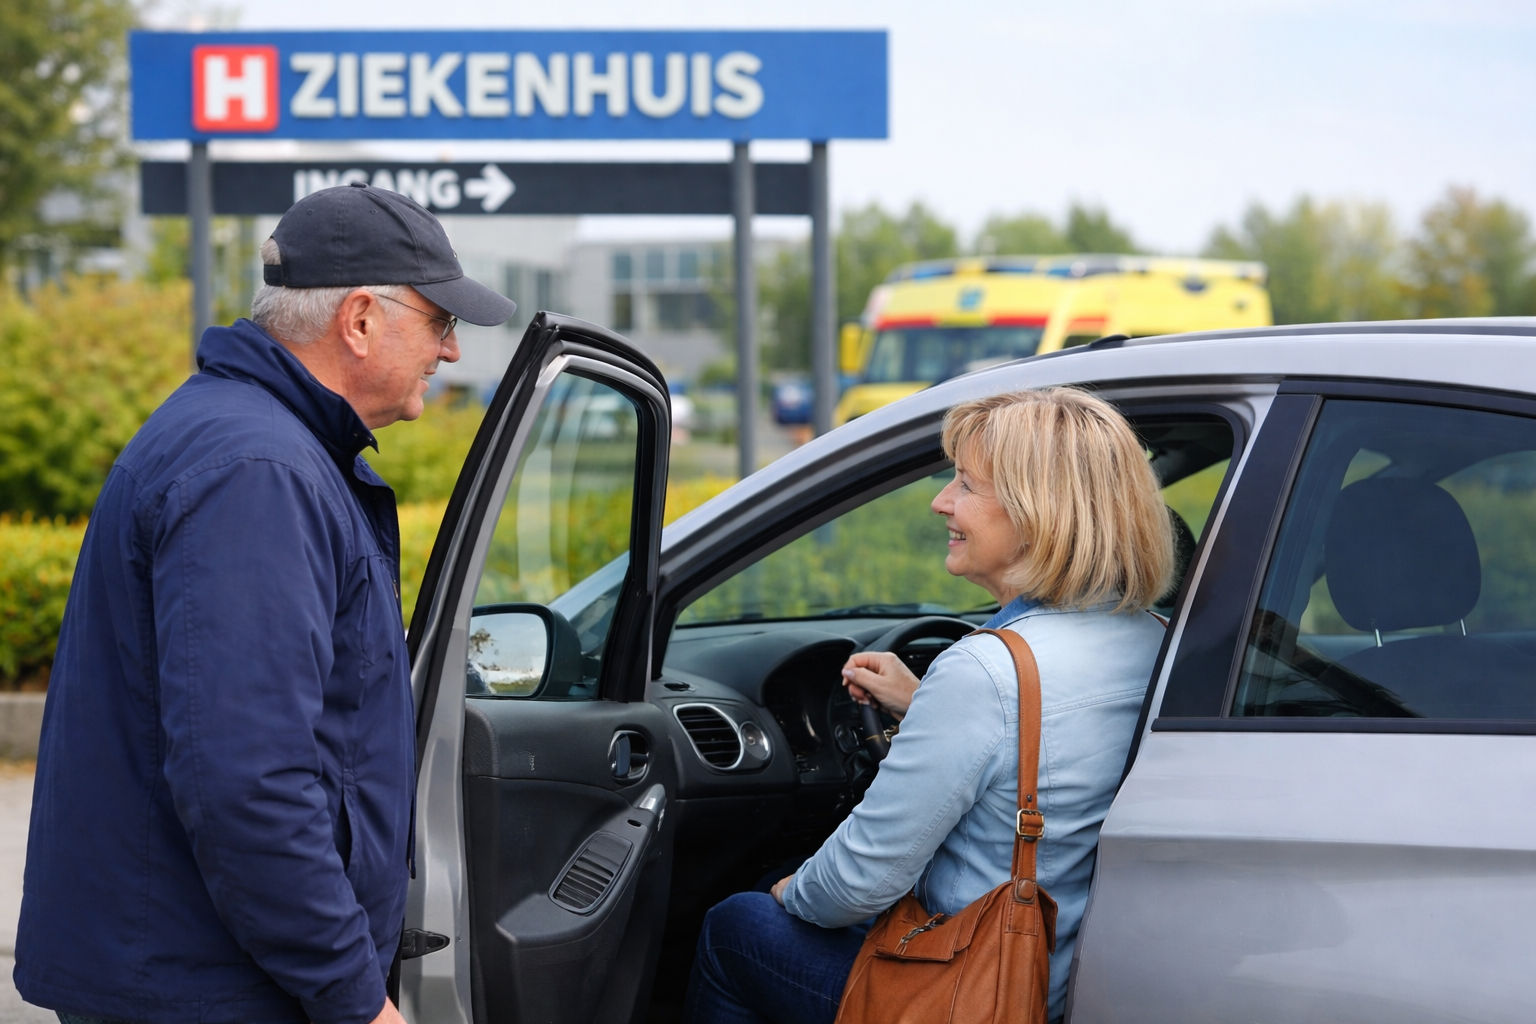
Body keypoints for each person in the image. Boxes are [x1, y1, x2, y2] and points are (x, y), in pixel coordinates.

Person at [15, 183, 517, 1024]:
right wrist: (355, 999)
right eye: (440, 322)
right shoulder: (258, 473)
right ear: (360, 319)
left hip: (197, 973)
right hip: (207, 989)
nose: (453, 351)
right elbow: (246, 782)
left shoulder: (255, 444)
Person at [684, 387, 1174, 1024]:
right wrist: (922, 705)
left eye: (966, 485)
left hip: (979, 992)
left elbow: (858, 883)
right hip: (1066, 976)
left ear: (1038, 514)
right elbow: (1054, 756)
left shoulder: (986, 672)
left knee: (739, 923)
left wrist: (788, 890)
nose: (941, 501)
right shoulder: (1156, 639)